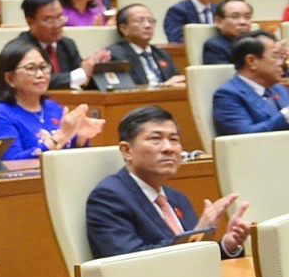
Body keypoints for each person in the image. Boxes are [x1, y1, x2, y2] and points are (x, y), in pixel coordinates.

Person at [87, 105, 253, 260]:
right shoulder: (109, 198)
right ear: (127, 150)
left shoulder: (176, 198)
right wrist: (196, 235)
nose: (169, 148)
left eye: (174, 139)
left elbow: (194, 259)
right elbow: (129, 261)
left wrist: (228, 245)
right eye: (155, 139)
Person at [0, 36, 101, 158]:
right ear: (10, 78)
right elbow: (12, 163)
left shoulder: (53, 107)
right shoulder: (1, 115)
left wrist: (80, 138)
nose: (40, 74)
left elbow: (70, 158)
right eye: (30, 69)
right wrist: (58, 139)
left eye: (43, 67)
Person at [212, 32, 289, 137]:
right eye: (275, 56)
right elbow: (245, 136)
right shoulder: (228, 95)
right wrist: (286, 115)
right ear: (252, 61)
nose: (281, 63)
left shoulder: (279, 89)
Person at [20, 0, 101, 89]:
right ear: (30, 21)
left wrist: (94, 65)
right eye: (48, 20)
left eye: (60, 17)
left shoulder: (67, 44)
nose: (57, 25)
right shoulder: (21, 49)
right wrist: (79, 75)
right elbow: (35, 80)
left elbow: (83, 76)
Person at [103, 3, 184, 87]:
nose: (148, 25)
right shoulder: (114, 55)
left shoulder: (162, 54)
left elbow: (177, 80)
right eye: (140, 21)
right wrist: (163, 87)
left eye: (151, 21)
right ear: (124, 28)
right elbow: (123, 90)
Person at [199, 0, 253, 66]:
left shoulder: (259, 42)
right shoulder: (214, 46)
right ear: (219, 22)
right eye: (235, 17)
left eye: (247, 17)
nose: (243, 22)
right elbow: (224, 75)